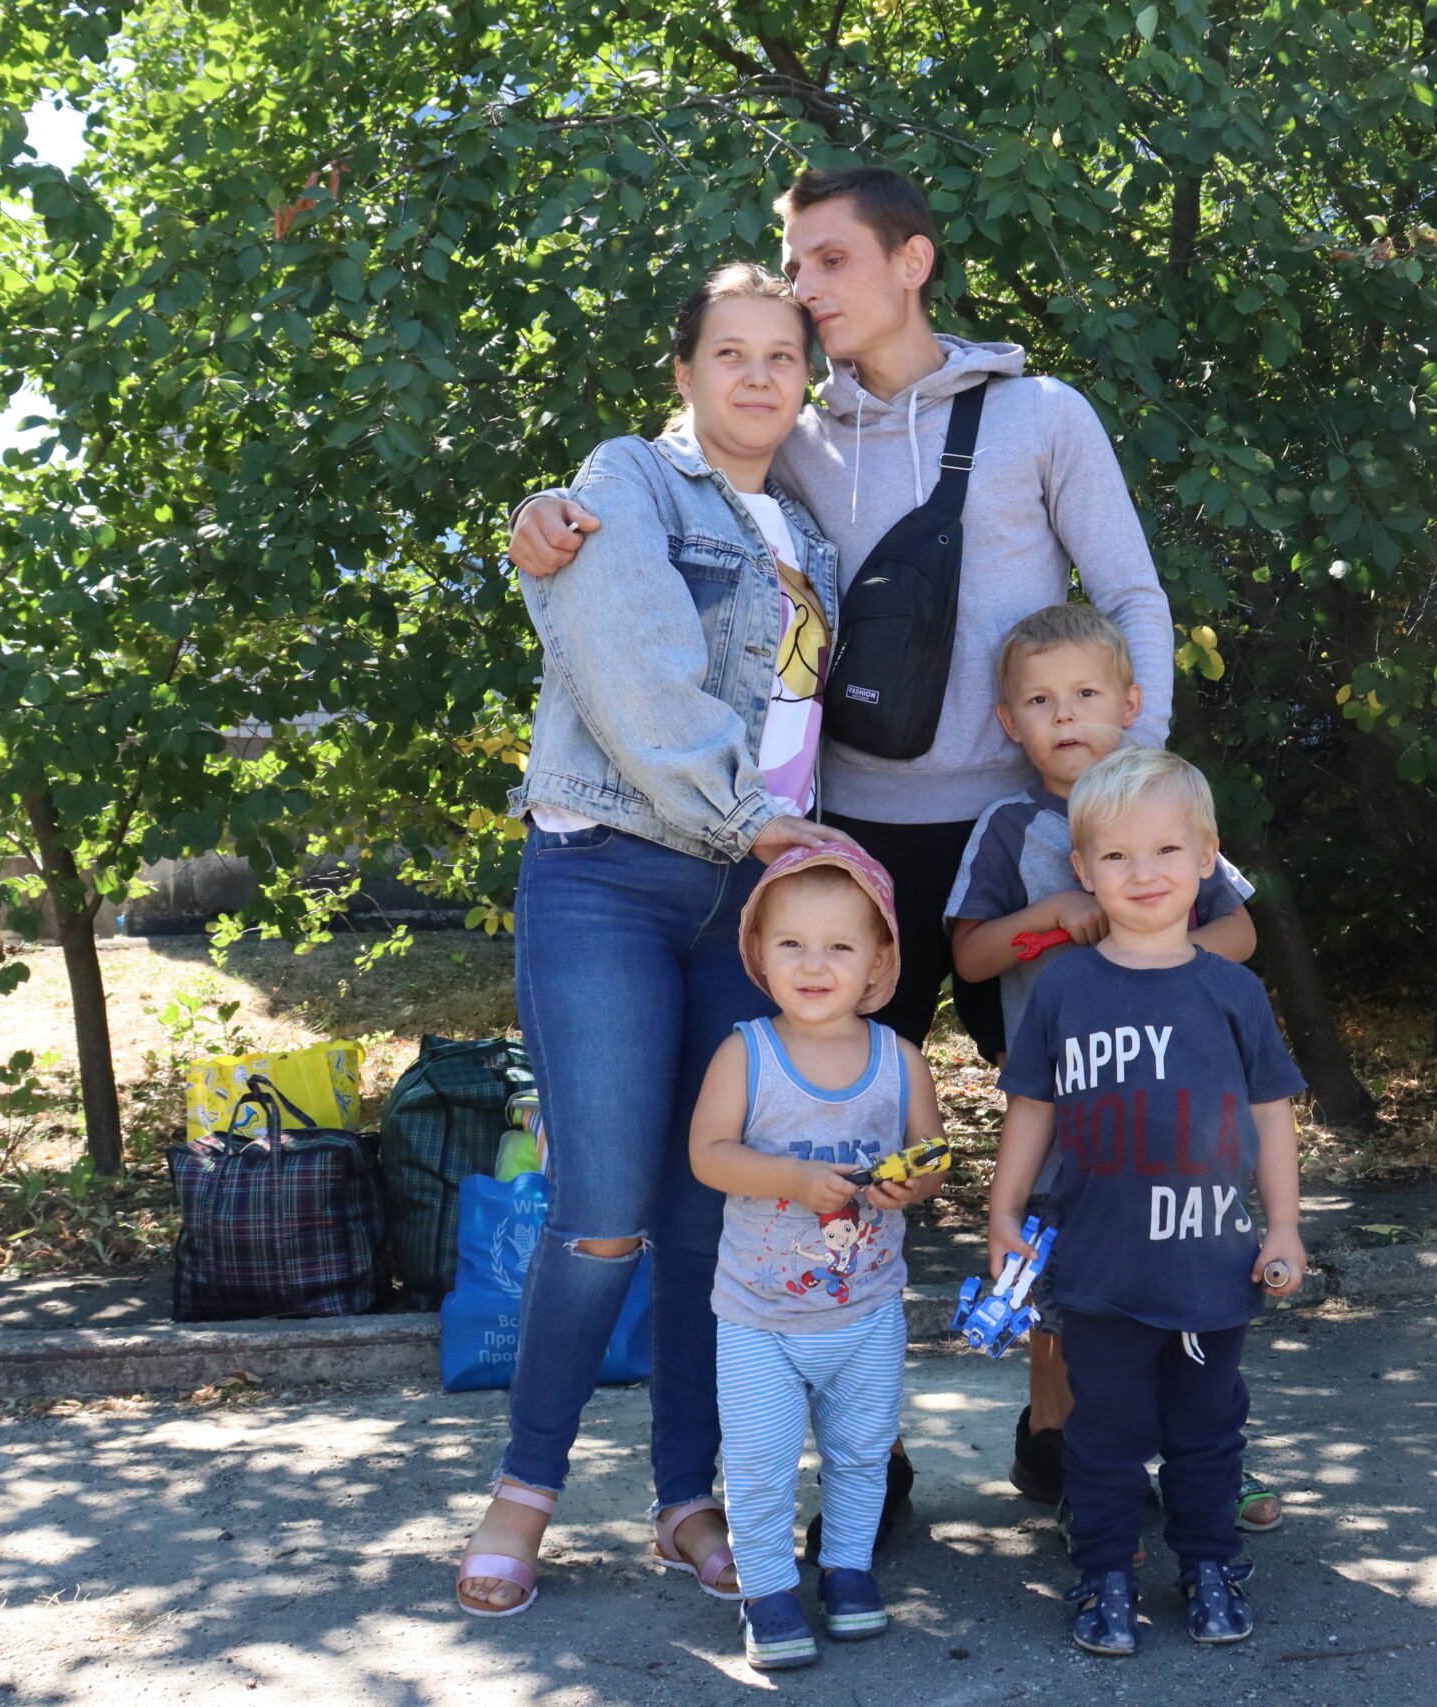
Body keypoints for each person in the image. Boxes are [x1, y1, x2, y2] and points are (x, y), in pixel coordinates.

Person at [510, 164, 1177, 1068]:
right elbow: (681, 479)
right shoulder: (794, 435)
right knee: (838, 1094)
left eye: (832, 260)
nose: (807, 288)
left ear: (913, 262)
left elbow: (1132, 596)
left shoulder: (1043, 417)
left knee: (1068, 1080)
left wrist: (1131, 786)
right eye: (796, 268)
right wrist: (548, 505)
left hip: (1027, 820)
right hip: (846, 832)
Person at [455, 260, 862, 1620]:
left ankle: (688, 1500)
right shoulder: (626, 479)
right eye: (729, 351)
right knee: (604, 1211)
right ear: (683, 373)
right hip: (612, 873)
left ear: (805, 383)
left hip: (747, 904)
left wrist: (796, 858)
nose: (758, 374)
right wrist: (751, 820)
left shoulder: (813, 535)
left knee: (709, 1215)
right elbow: (630, 665)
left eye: (783, 356)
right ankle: (524, 1491)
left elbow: (805, 724)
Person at [944, 603, 1288, 1536]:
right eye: (1040, 700)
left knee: (1190, 1279)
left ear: (1131, 704)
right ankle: (1075, 1463)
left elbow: (1240, 931)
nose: (1066, 715)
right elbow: (971, 956)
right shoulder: (1011, 826)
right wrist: (1053, 916)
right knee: (1062, 1287)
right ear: (1008, 721)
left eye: (1087, 693)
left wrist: (1149, 958)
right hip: (1063, 1107)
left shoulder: (1163, 805)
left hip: (1176, 1116)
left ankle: (1207, 1457)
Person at [982, 746, 1308, 1657]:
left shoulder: (1234, 990)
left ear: (1206, 858)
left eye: (1167, 849)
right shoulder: (1065, 987)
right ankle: (1105, 1572)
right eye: (1118, 855)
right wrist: (1003, 1210)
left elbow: (1272, 1112)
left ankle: (1209, 1563)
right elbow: (1032, 1106)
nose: (1145, 871)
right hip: (1100, 1264)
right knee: (1104, 1432)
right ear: (1083, 869)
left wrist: (1284, 1225)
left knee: (1209, 1430)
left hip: (1212, 1263)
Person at [688, 844, 948, 1669]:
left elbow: (933, 1155)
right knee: (761, 1460)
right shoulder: (746, 1053)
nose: (813, 964)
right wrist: (795, 1179)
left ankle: (847, 1568)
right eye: (792, 943)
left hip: (866, 1311)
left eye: (839, 945)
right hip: (759, 1316)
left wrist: (915, 1181)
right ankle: (767, 1590)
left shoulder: (899, 1059)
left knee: (863, 1451)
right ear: (759, 953)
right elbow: (708, 1155)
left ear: (879, 962)